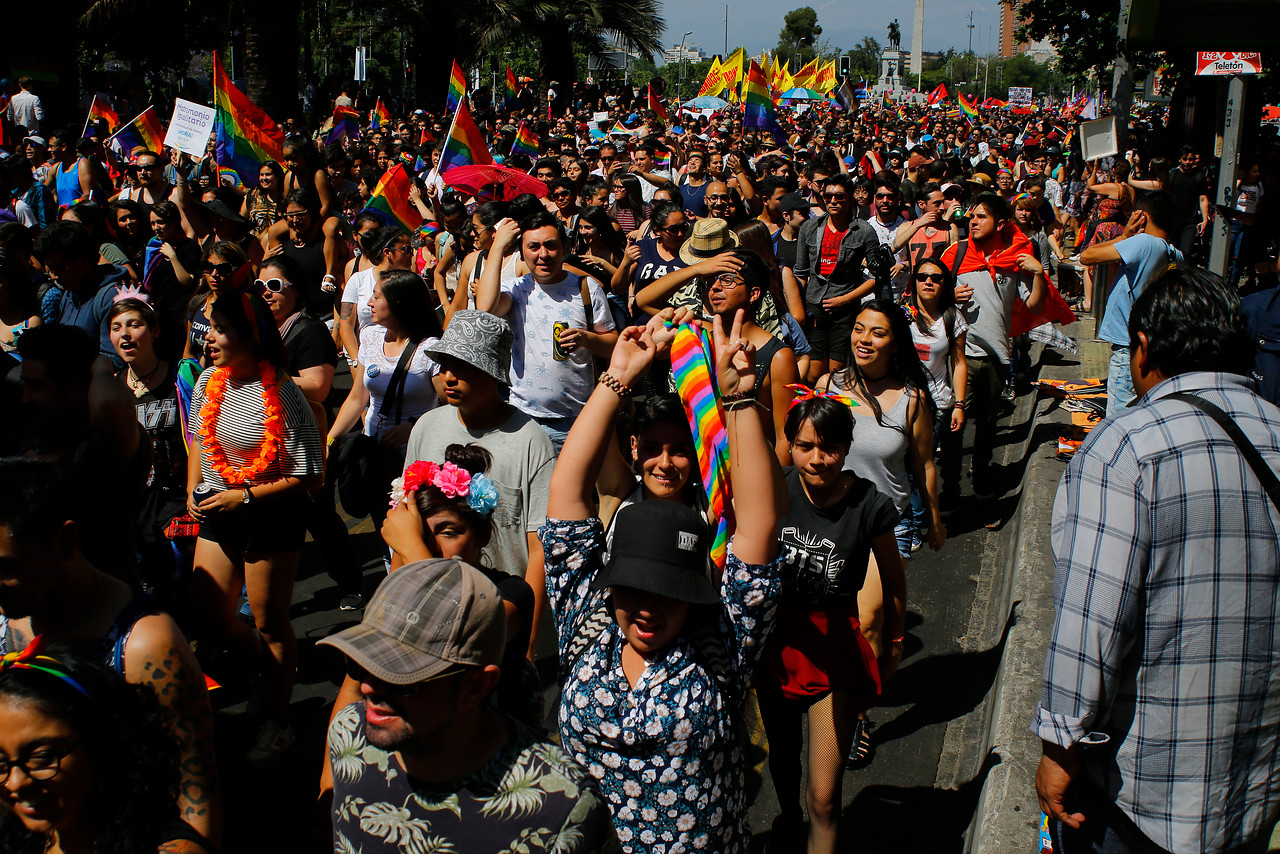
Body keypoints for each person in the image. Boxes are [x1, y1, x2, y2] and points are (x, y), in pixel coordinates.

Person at [1034, 266, 1280, 854]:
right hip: (1258, 776)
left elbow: (1090, 620)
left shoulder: (1128, 445)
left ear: (1143, 348)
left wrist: (1058, 745)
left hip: (1144, 787)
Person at [543, 309, 785, 853]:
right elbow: (566, 494)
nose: (649, 608)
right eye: (632, 589)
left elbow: (760, 526)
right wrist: (617, 377)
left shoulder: (721, 641)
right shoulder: (586, 620)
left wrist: (741, 401)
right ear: (609, 585)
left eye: (669, 592)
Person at [319, 558, 620, 853]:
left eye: (401, 677)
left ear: (476, 687)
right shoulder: (348, 735)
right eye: (359, 663)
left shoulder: (562, 807)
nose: (369, 687)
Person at [0, 458, 222, 846]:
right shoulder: (6, 621)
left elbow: (194, 799)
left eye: (6, 566)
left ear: (66, 542)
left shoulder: (145, 644)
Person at [756, 395, 907, 854]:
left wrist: (894, 643)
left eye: (829, 448)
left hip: (831, 655)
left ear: (845, 447)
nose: (817, 459)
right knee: (783, 757)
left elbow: (895, 582)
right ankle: (787, 817)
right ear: (790, 445)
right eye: (804, 446)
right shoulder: (775, 490)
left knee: (824, 797)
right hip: (776, 649)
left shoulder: (870, 506)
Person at [186, 292, 323, 767]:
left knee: (269, 622)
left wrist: (243, 496)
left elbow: (307, 474)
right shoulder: (208, 381)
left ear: (249, 337)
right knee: (210, 618)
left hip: (272, 513)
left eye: (220, 329)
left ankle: (277, 720)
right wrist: (194, 488)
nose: (209, 337)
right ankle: (273, 671)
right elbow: (197, 441)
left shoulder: (281, 390)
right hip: (220, 509)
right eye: (209, 327)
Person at [404, 310, 556, 658]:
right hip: (431, 607)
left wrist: (528, 644)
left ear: (494, 375)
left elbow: (539, 550)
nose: (449, 378)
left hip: (503, 612)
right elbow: (407, 517)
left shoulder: (530, 442)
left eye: (465, 367)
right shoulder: (426, 428)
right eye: (444, 366)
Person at [0, 642, 212, 854]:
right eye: (1, 764)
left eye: (41, 757)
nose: (15, 783)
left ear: (102, 743)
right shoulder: (22, 839)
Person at [475, 211, 618, 451]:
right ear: (522, 253)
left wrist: (586, 339)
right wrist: (498, 246)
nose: (543, 255)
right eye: (533, 247)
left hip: (577, 419)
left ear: (565, 248)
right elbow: (486, 308)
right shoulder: (517, 289)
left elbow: (612, 343)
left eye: (551, 246)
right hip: (524, 418)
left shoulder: (586, 288)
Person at [939, 193, 1047, 498]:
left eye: (981, 217)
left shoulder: (1015, 260)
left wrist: (1038, 272)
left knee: (987, 423)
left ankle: (981, 470)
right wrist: (949, 296)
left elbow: (1036, 307)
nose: (973, 222)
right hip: (960, 356)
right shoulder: (956, 254)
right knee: (953, 423)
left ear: (1000, 224)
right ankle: (950, 485)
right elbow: (927, 295)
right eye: (972, 216)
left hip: (997, 356)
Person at [108, 297, 192, 603]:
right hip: (136, 508)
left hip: (180, 499)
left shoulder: (181, 377)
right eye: (116, 327)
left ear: (155, 330)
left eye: (134, 324)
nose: (125, 334)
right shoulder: (112, 389)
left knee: (187, 587)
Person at [1077, 191, 1180, 416]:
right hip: (1150, 343)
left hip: (1128, 347)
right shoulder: (1174, 254)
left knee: (1119, 416)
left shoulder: (1142, 243)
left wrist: (1124, 236)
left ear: (1141, 216)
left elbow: (1087, 256)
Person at [794, 174, 882, 383]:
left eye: (839, 197)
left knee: (837, 372)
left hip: (845, 309)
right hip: (814, 307)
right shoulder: (810, 227)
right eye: (828, 196)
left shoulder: (864, 232)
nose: (833, 201)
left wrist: (846, 299)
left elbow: (877, 276)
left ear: (850, 198)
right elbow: (801, 272)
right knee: (814, 372)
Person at [904, 259, 968, 511]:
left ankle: (917, 521)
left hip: (937, 404)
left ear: (945, 284)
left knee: (918, 462)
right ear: (914, 282)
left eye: (936, 278)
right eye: (922, 277)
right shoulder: (901, 316)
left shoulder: (953, 318)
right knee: (904, 463)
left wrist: (959, 405)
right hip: (903, 400)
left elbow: (959, 363)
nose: (928, 281)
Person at [32, 222, 130, 366]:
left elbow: (116, 360)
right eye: (51, 269)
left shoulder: (112, 298)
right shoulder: (69, 294)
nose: (54, 276)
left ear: (83, 259)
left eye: (58, 268)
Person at [338, 226, 414, 360]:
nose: (411, 254)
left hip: (405, 357)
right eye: (405, 250)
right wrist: (356, 361)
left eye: (411, 249)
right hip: (366, 359)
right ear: (387, 252)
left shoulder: (414, 282)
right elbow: (346, 325)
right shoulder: (358, 280)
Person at [183, 241, 252, 367]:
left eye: (223, 269)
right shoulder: (197, 302)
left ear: (239, 271)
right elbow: (188, 351)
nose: (214, 274)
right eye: (209, 267)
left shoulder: (246, 308)